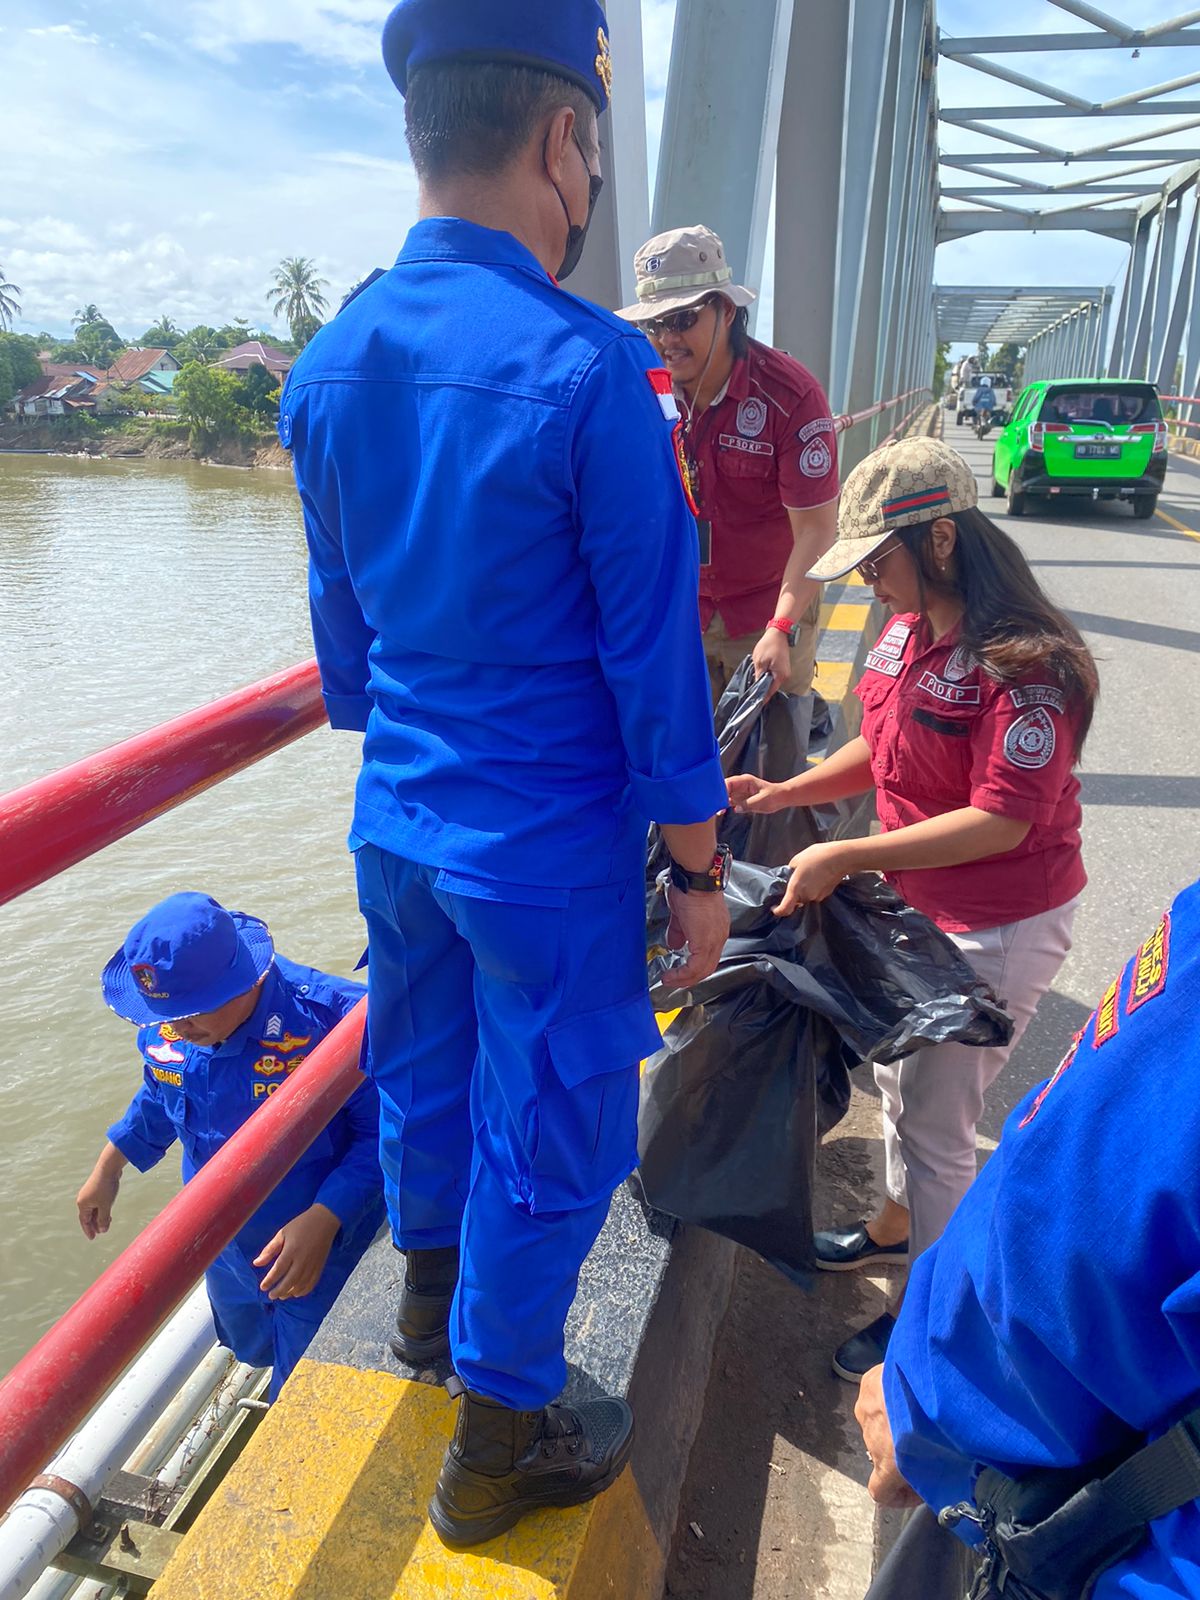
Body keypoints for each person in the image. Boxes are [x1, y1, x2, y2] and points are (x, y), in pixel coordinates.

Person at [279, 0, 730, 1550]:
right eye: (591, 162)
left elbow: (344, 640)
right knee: (558, 1114)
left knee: (421, 1065)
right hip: (541, 845)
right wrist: (695, 873)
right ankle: (503, 1431)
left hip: (396, 817)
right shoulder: (591, 370)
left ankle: (420, 1302)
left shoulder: (329, 361)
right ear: (563, 141)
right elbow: (654, 669)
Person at [726, 437, 1097, 1381]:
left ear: (938, 542)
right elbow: (882, 748)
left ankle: (929, 1323)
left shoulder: (1027, 668)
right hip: (918, 908)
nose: (867, 585)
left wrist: (845, 850)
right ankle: (896, 1225)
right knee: (902, 1081)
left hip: (996, 922)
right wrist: (789, 792)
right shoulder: (903, 630)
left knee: (939, 1121)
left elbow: (1002, 822)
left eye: (875, 563)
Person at [856, 877, 1200, 1600]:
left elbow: (1072, 1219)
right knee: (913, 1105)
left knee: (934, 1127)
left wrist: (923, 1402)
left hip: (1108, 1541)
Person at [78, 893, 384, 1401]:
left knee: (311, 1372)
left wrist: (327, 1216)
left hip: (317, 1245)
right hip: (223, 1244)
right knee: (253, 1341)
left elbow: (382, 1134)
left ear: (243, 981)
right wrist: (111, 1163)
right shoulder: (175, 1030)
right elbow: (161, 1091)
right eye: (162, 1014)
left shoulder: (332, 1025)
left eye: (191, 1013)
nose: (176, 1027)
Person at [616, 225, 839, 710]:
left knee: (769, 773)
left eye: (681, 319)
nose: (665, 339)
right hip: (679, 615)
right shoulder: (639, 390)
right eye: (652, 326)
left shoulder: (790, 398)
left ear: (726, 310)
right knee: (686, 770)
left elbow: (819, 531)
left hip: (768, 611)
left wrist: (781, 627)